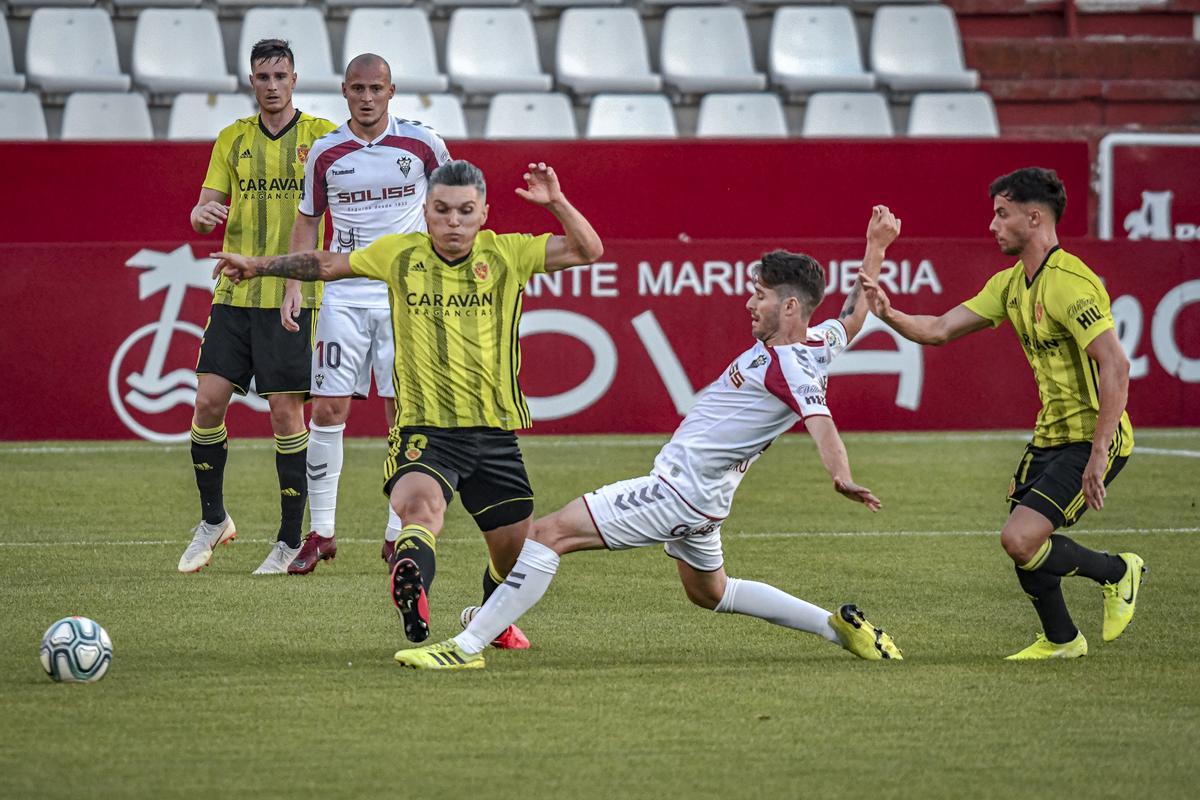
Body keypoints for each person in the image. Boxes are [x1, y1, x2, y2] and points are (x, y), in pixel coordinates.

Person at [393, 207, 906, 671]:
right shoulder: (816, 343)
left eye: (760, 295)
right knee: (711, 592)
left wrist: (841, 475)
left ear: (790, 307)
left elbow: (822, 422)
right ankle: (834, 626)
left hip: (677, 491)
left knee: (547, 535)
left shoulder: (788, 365)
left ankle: (466, 646)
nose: (750, 302)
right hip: (707, 501)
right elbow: (852, 319)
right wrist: (876, 250)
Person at [210, 159, 603, 650]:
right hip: (426, 430)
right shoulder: (401, 254)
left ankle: (491, 616)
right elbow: (328, 264)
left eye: (464, 211)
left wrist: (557, 203)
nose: (453, 221)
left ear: (484, 213)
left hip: (494, 434)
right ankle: (412, 579)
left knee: (513, 557)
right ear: (425, 211)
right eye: (441, 210)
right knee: (421, 509)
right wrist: (258, 265)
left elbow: (589, 250)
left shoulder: (508, 253)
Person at [859, 167, 1143, 660]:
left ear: (1034, 218)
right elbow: (941, 328)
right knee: (1024, 545)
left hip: (1092, 436)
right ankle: (1062, 641)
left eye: (1001, 214)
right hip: (1048, 436)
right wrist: (888, 313)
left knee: (1019, 538)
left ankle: (1119, 572)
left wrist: (1100, 451)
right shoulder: (1012, 283)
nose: (992, 225)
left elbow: (1115, 363)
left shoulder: (1070, 283)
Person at [282, 53, 452, 576]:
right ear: (344, 91)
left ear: (391, 91)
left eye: (375, 88)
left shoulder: (425, 145)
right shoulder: (326, 153)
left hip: (407, 298)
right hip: (343, 298)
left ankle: (398, 531)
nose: (366, 97)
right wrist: (294, 282)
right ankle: (323, 533)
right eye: (357, 88)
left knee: (403, 413)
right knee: (329, 411)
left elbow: (452, 206)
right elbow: (308, 222)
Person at [178, 39, 337, 576]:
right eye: (263, 76)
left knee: (285, 413)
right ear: (251, 81)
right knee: (206, 404)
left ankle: (291, 539)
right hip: (235, 292)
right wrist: (203, 215)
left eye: (281, 75)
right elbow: (205, 207)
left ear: (295, 80)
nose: (272, 84)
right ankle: (213, 520)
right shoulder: (232, 139)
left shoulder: (320, 138)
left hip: (293, 295)